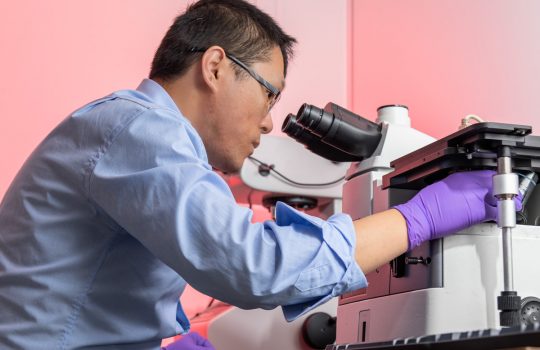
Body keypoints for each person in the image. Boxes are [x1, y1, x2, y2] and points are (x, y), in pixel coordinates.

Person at [0, 0, 520, 349]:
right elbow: (253, 267)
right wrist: (422, 215)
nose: (271, 120)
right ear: (216, 66)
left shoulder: (127, 128)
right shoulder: (138, 128)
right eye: (270, 93)